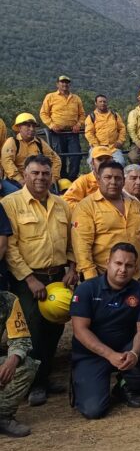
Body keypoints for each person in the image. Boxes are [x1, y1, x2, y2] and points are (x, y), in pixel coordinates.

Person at [2, 155, 77, 406]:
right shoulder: (10, 204)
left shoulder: (61, 204)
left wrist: (72, 267)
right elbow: (11, 248)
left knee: (54, 328)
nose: (41, 178)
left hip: (57, 276)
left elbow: (71, 240)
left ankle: (43, 376)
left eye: (45, 173)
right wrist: (30, 279)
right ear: (24, 174)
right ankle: (34, 385)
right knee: (31, 331)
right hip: (28, 279)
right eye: (35, 173)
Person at [70, 243, 140, 419]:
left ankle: (125, 385)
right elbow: (79, 330)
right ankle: (87, 382)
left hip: (125, 349)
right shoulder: (87, 289)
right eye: (118, 263)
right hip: (92, 354)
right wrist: (109, 354)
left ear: (135, 267)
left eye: (129, 265)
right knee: (93, 411)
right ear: (107, 262)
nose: (123, 269)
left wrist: (134, 353)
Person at [72, 161, 140, 280]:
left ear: (123, 181)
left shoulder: (136, 205)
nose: (113, 182)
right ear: (98, 180)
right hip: (102, 277)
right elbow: (82, 246)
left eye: (118, 178)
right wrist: (91, 279)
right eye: (108, 177)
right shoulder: (86, 207)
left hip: (134, 277)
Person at [0, 291, 38, 437]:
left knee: (25, 366)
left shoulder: (8, 300)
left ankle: (3, 416)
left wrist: (11, 361)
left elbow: (20, 338)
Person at [1, 113, 62, 196]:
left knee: (55, 198)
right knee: (17, 197)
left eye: (33, 126)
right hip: (16, 181)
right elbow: (7, 162)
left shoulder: (40, 143)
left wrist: (53, 178)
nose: (32, 129)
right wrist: (21, 180)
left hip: (37, 180)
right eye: (28, 126)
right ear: (19, 128)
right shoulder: (12, 142)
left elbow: (55, 159)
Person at [39, 75, 85, 180]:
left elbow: (82, 114)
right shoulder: (50, 97)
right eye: (62, 82)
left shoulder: (76, 98)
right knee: (59, 157)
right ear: (57, 84)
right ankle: (61, 180)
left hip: (72, 133)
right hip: (57, 133)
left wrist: (78, 124)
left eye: (67, 82)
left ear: (69, 84)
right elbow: (43, 113)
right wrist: (51, 125)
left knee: (76, 155)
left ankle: (72, 178)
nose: (65, 84)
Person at [62, 145, 116, 209]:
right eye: (100, 159)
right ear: (92, 163)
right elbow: (67, 201)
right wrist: (91, 210)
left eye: (107, 159)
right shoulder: (83, 181)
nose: (104, 163)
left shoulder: (118, 179)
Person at [83, 94, 126, 165]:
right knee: (94, 164)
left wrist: (120, 141)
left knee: (120, 163)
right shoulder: (91, 117)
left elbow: (122, 128)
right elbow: (89, 133)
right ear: (96, 103)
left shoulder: (114, 115)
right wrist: (97, 145)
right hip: (97, 147)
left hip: (113, 147)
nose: (103, 103)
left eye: (104, 101)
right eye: (100, 101)